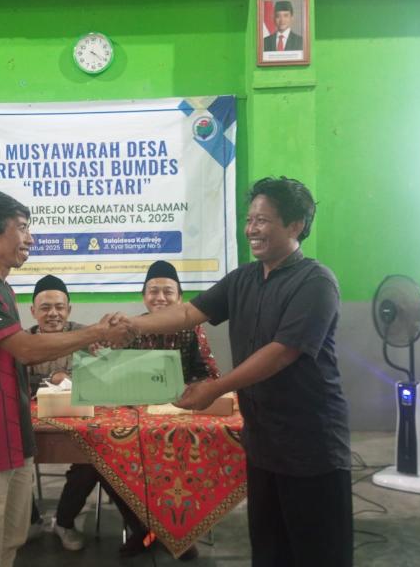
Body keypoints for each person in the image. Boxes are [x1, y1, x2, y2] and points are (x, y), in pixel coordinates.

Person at [117, 177, 353, 566]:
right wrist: (131, 325)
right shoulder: (243, 278)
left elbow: (281, 353)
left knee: (317, 552)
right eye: (249, 219)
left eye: (263, 220)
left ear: (295, 225)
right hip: (262, 441)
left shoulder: (316, 281)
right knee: (269, 549)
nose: (252, 229)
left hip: (310, 442)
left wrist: (215, 387)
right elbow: (189, 312)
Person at [0, 190, 130, 567]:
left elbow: (20, 354)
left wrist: (86, 342)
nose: (30, 238)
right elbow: (24, 349)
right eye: (22, 228)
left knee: (11, 542)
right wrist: (95, 332)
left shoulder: (2, 288)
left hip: (15, 440)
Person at [110, 260, 221, 561]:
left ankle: (181, 532)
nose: (160, 297)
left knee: (188, 461)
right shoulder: (130, 329)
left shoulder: (192, 329)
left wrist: (187, 387)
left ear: (180, 297)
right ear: (144, 296)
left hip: (178, 416)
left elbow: (209, 374)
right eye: (153, 291)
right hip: (134, 416)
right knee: (111, 459)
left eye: (168, 292)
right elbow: (114, 376)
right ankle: (143, 529)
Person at [24, 274, 98, 551]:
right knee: (9, 460)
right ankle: (31, 520)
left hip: (78, 421)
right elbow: (17, 380)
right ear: (33, 311)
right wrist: (52, 378)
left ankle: (64, 521)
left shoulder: (86, 336)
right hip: (32, 424)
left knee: (95, 459)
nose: (53, 314)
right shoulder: (22, 341)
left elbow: (98, 376)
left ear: (69, 309)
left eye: (59, 307)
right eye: (45, 308)